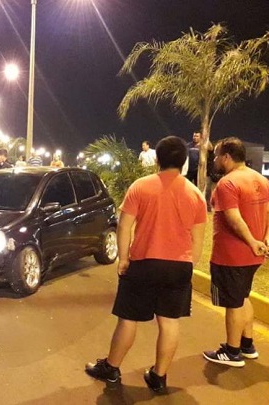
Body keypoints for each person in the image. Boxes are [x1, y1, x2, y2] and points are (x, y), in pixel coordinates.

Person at [85, 136, 207, 394]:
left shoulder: (141, 187)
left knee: (129, 319)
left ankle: (111, 368)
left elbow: (125, 226)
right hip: (179, 266)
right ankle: (158, 376)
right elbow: (198, 239)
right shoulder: (195, 194)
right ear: (184, 161)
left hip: (144, 263)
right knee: (169, 322)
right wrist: (188, 264)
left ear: (157, 159)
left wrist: (123, 258)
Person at [202, 137, 269, 367]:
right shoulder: (261, 180)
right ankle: (247, 345)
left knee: (233, 303)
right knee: (243, 297)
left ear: (226, 157)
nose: (215, 160)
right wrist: (265, 240)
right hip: (253, 255)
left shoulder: (227, 184)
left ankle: (232, 351)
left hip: (231, 255)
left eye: (216, 156)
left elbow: (234, 219)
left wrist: (252, 241)